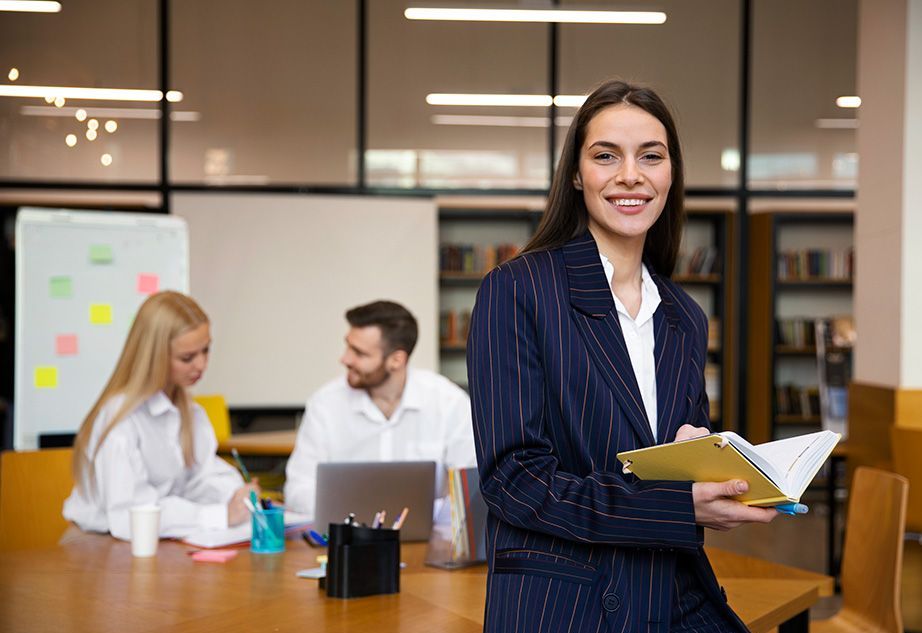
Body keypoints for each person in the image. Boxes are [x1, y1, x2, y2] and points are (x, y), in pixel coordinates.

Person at [467, 79, 778, 633]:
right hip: (566, 602)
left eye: (650, 157)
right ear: (576, 175)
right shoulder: (517, 289)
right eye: (606, 156)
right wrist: (678, 506)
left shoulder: (684, 316)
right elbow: (513, 480)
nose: (630, 175)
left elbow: (671, 457)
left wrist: (704, 460)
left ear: (671, 176)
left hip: (670, 588)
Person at [63, 291, 258, 540]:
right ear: (154, 357)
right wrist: (218, 515)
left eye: (206, 350)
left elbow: (200, 478)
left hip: (153, 544)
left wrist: (235, 495)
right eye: (187, 357)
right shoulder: (120, 420)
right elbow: (133, 517)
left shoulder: (190, 412)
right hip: (101, 547)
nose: (201, 365)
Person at [283, 300, 476, 519]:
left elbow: (471, 486)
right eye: (348, 346)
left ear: (396, 360)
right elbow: (298, 489)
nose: (345, 359)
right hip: (347, 540)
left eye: (359, 353)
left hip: (431, 544)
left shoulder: (448, 402)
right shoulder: (325, 404)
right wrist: (350, 514)